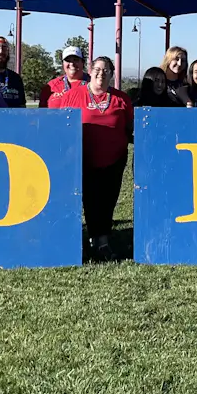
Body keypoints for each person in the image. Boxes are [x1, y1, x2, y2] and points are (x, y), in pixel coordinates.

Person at [53, 55, 133, 259]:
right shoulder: (73, 95)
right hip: (83, 159)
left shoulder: (121, 99)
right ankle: (90, 239)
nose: (101, 73)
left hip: (114, 160)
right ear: (90, 71)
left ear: (112, 74)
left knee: (108, 201)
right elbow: (61, 126)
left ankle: (103, 242)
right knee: (88, 200)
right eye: (97, 69)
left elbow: (130, 128)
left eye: (106, 70)